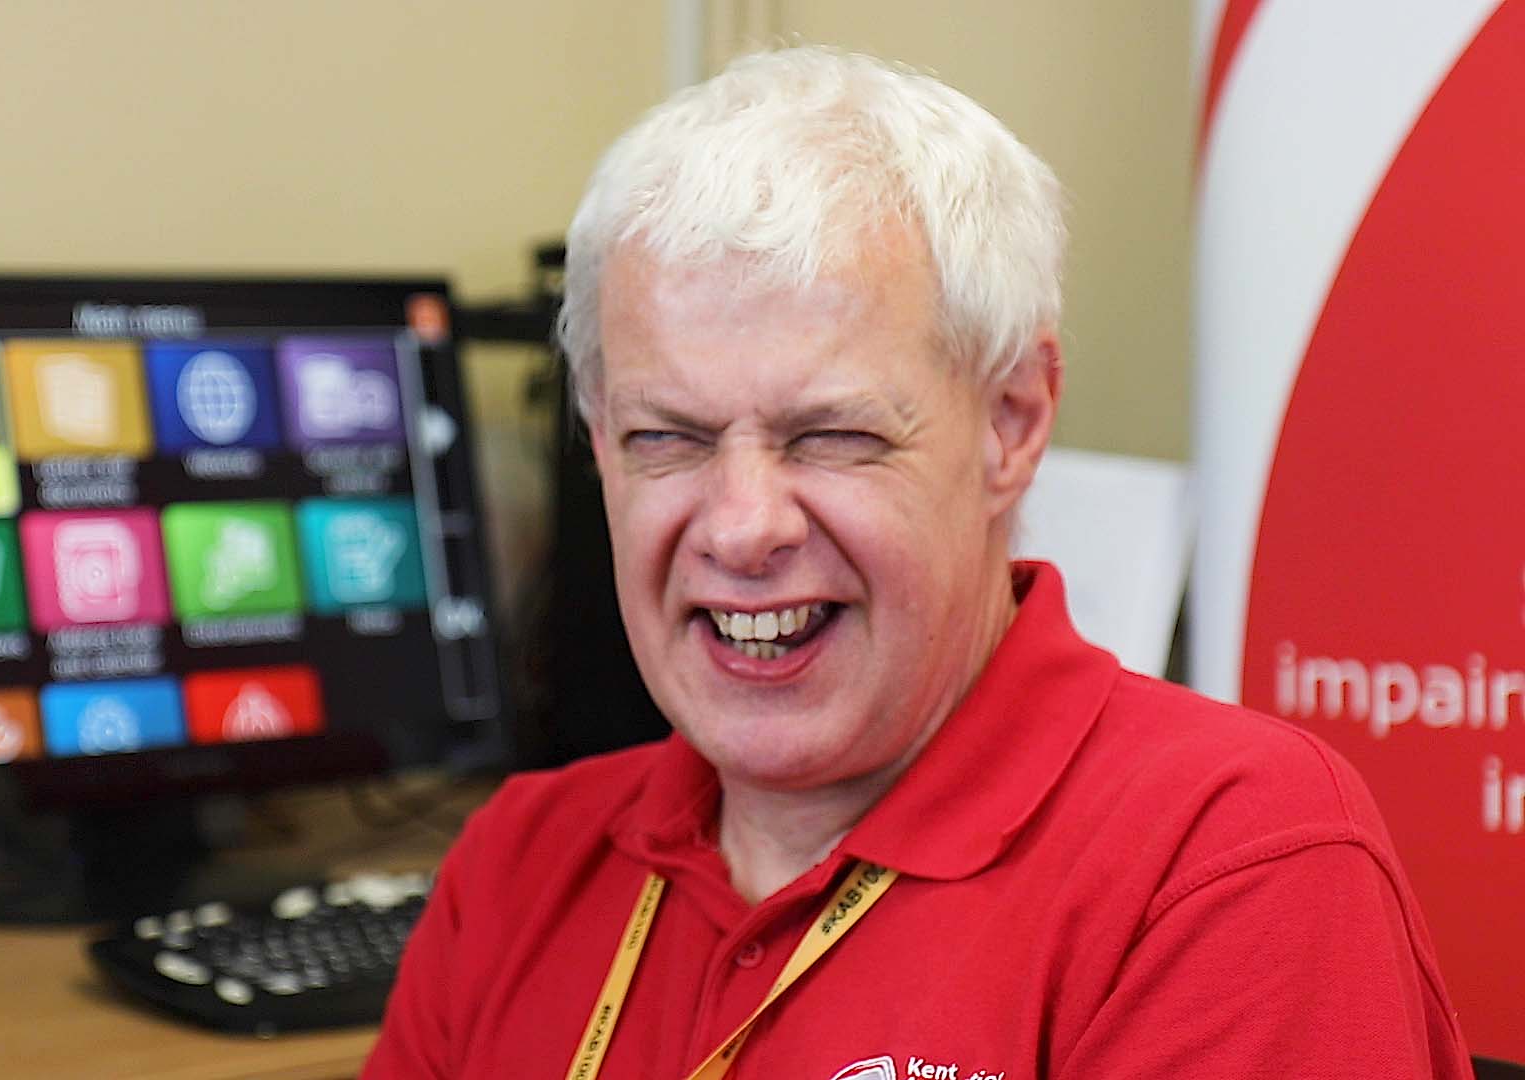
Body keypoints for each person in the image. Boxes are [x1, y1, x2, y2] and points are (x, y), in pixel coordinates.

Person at [364, 46, 1473, 1079]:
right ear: (600, 443)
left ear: (1013, 422)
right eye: (670, 438)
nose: (743, 528)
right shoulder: (517, 868)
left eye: (833, 436)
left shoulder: (1234, 863)